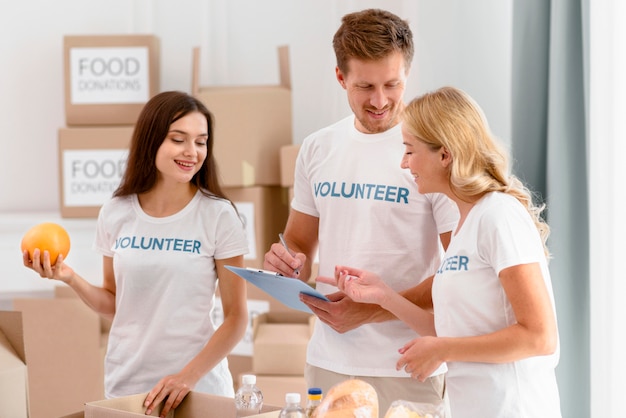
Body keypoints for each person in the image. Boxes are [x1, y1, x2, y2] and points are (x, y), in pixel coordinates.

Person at [318, 86, 562, 418]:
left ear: (444, 155)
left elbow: (540, 336)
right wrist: (383, 296)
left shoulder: (499, 215)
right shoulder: (466, 225)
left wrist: (444, 349)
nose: (404, 164)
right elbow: (452, 329)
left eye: (409, 150)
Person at [263, 9, 458, 413]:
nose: (380, 100)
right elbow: (300, 243)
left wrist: (369, 311)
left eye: (392, 84)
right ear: (340, 78)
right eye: (365, 86)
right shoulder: (318, 148)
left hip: (412, 363)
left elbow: (459, 270)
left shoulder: (433, 152)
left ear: (408, 74)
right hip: (330, 364)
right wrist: (288, 264)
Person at [23, 91, 249, 417]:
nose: (192, 151)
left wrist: (186, 377)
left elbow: (236, 318)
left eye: (201, 142)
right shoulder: (117, 212)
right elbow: (116, 302)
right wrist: (68, 277)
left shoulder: (218, 215)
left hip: (199, 388)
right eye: (178, 139)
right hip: (128, 385)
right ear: (151, 140)